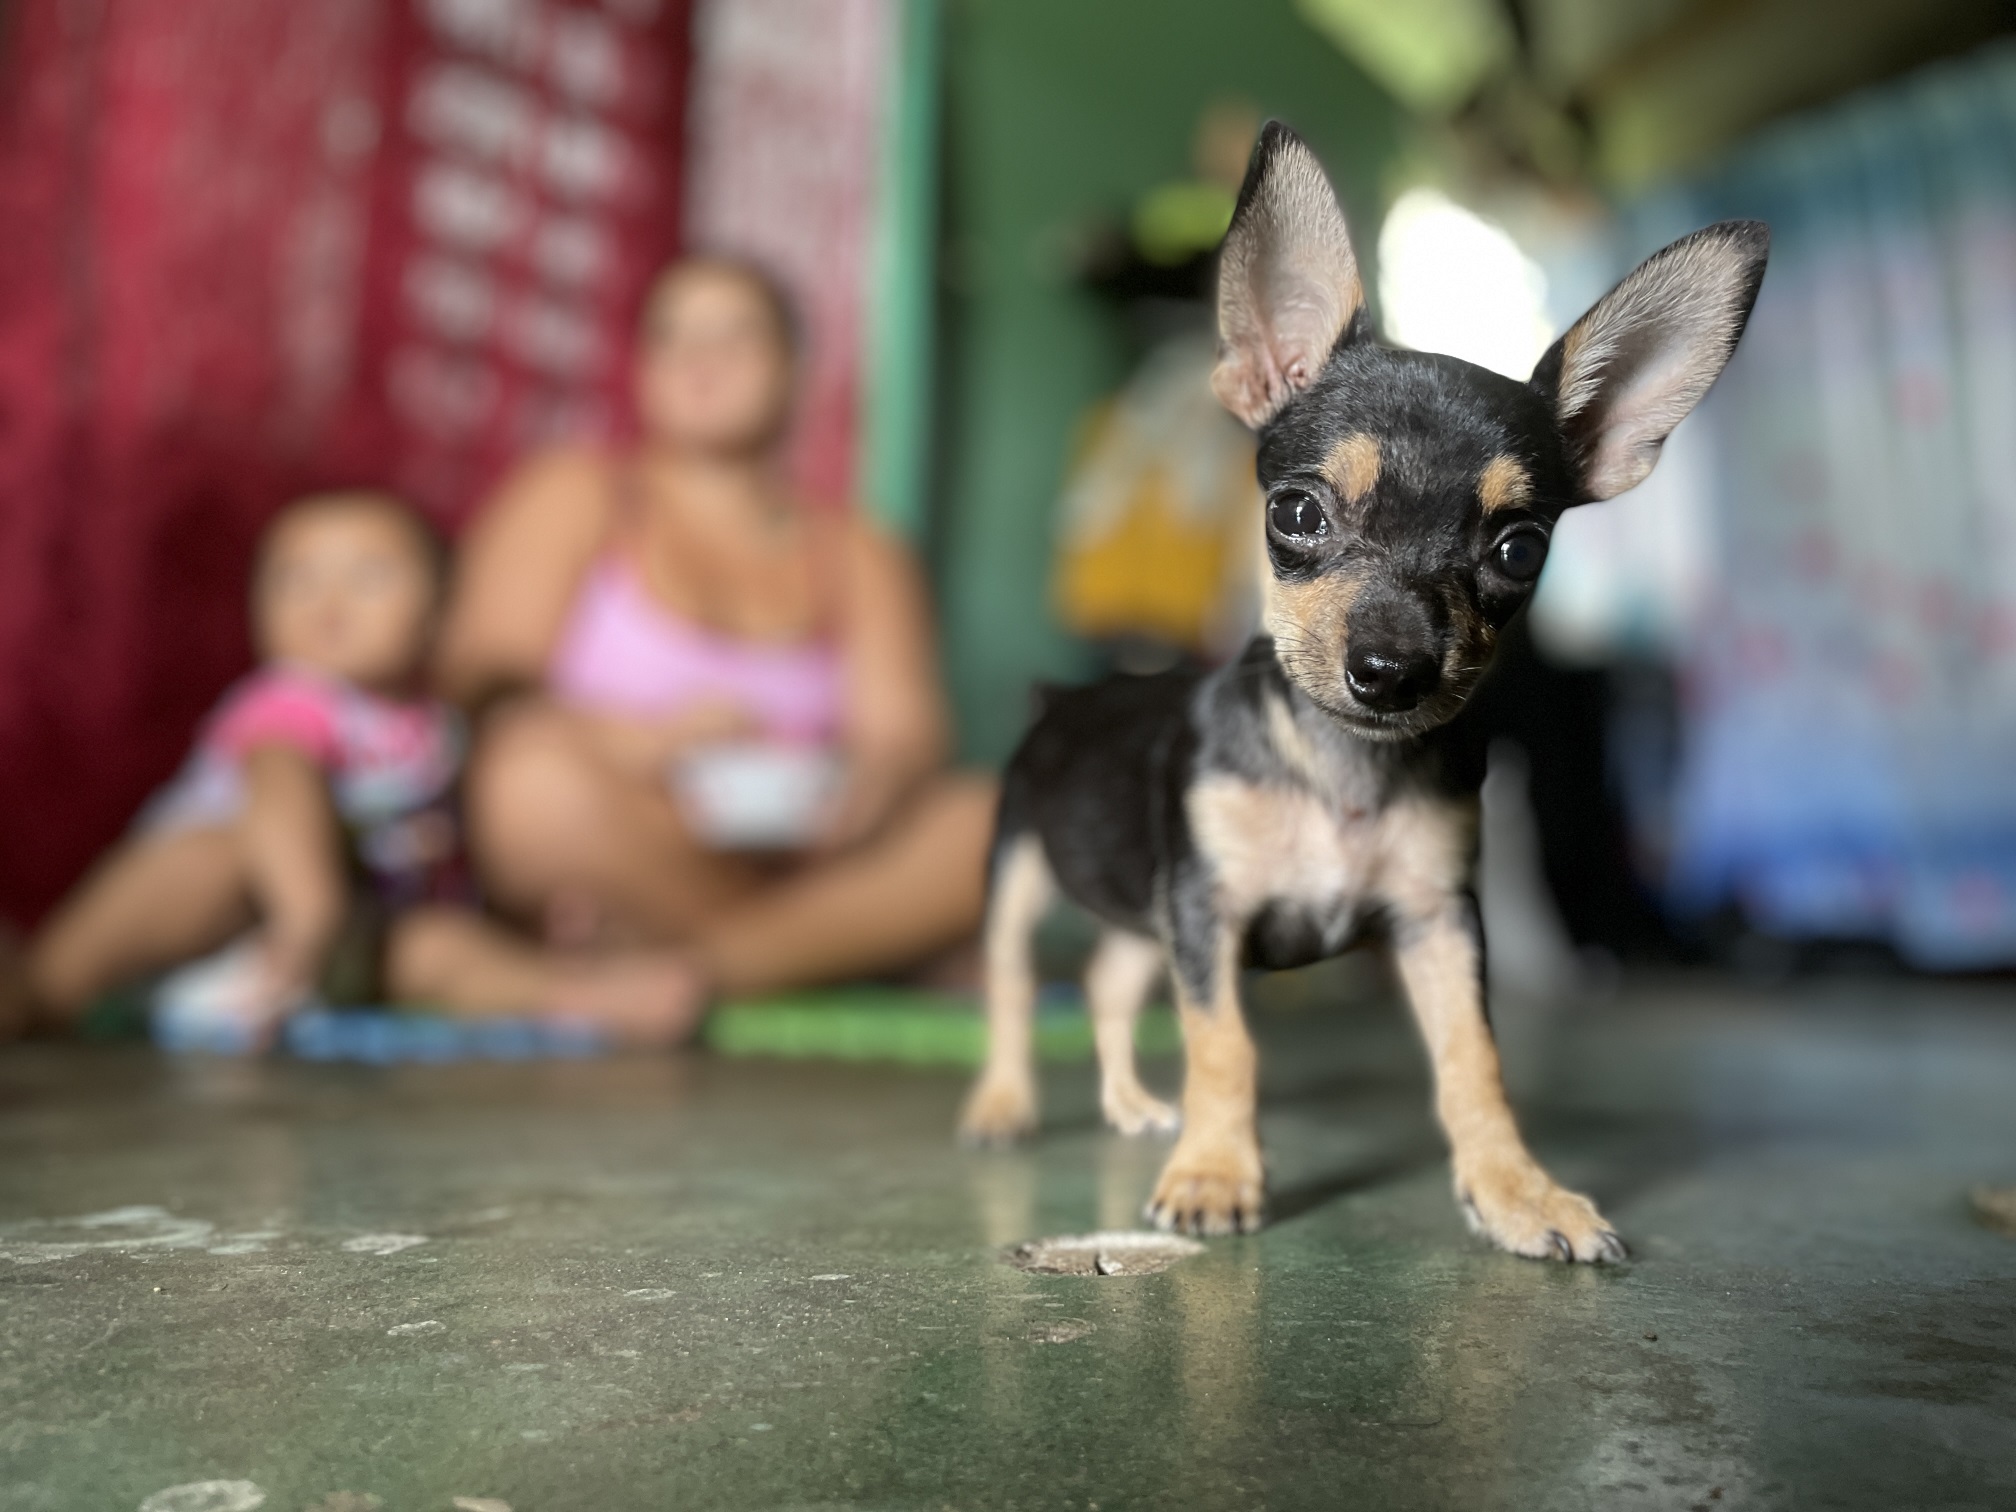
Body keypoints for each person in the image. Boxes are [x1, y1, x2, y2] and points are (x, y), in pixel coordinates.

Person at [436, 256, 994, 998]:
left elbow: (905, 736)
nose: (703, 361)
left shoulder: (861, 550)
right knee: (524, 785)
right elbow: (480, 687)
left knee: (1002, 813)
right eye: (675, 338)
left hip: (806, 857)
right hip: (634, 834)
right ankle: (846, 949)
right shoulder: (574, 493)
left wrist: (874, 787)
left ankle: (696, 970)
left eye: (737, 337)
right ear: (641, 368)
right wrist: (639, 743)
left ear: (796, 370)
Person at [16, 491, 703, 1046]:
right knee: (209, 858)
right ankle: (41, 992)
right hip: (225, 920)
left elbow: (446, 847)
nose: (328, 601)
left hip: (342, 947)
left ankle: (575, 995)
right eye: (296, 579)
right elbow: (279, 788)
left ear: (438, 615)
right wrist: (307, 912)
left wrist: (526, 917)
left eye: (369, 577)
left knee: (437, 947)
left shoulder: (439, 731)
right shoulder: (290, 701)